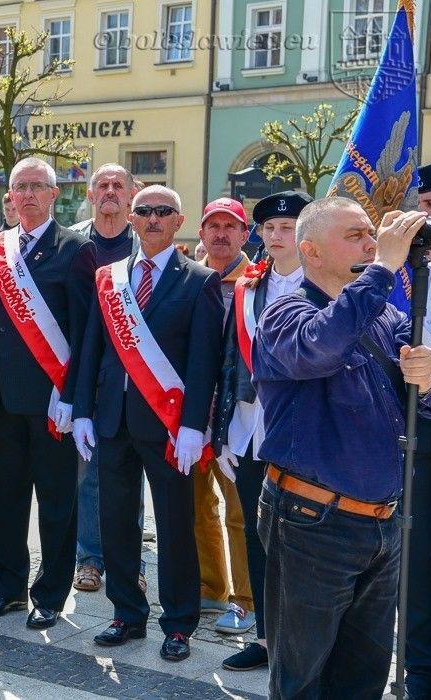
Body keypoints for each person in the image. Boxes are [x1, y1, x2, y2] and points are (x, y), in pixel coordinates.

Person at [253, 199, 431, 697]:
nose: (372, 244)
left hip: (384, 522)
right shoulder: (286, 312)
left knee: (362, 677)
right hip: (314, 521)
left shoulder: (385, 317)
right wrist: (379, 272)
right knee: (303, 677)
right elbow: (318, 348)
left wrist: (428, 375)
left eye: (371, 235)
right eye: (355, 235)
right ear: (309, 251)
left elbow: (426, 403)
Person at [72, 185, 223, 661]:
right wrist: (81, 411)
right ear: (133, 220)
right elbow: (91, 348)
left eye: (163, 212)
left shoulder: (198, 280)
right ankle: (127, 614)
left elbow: (204, 362)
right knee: (116, 522)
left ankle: (178, 624)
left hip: (169, 427)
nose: (152, 218)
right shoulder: (109, 278)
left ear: (179, 222)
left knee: (176, 525)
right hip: (112, 422)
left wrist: (195, 426)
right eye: (145, 211)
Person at [0, 157, 91, 630]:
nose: (26, 194)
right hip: (3, 398)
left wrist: (71, 395)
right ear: (10, 197)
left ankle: (49, 594)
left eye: (36, 186)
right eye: (18, 187)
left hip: (51, 402)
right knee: (3, 498)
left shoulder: (75, 251)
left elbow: (86, 333)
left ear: (53, 194)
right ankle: (6, 588)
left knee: (55, 501)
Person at [211, 190, 310, 672]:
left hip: (310, 436)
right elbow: (230, 361)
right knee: (257, 533)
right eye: (269, 228)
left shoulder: (327, 285)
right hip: (253, 429)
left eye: (287, 228)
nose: (276, 236)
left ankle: (305, 640)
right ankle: (267, 638)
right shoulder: (248, 286)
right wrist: (224, 429)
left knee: (307, 543)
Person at [64, 163, 139, 595]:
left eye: (118, 185)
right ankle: (89, 558)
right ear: (91, 195)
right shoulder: (74, 244)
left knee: (133, 472)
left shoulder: (145, 241)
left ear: (131, 194)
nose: (110, 192)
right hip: (84, 372)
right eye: (102, 185)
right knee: (88, 471)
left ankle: (129, 559)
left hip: (136, 375)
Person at [193, 197, 253, 629]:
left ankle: (247, 600)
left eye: (229, 226)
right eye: (212, 225)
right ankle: (209, 589)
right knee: (196, 508)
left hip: (237, 418)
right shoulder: (191, 280)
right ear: (201, 234)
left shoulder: (259, 282)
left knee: (240, 511)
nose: (220, 233)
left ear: (244, 234)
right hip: (194, 414)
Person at [407, 162, 431, 698]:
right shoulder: (400, 276)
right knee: (414, 561)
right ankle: (420, 668)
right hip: (416, 435)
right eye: (426, 206)